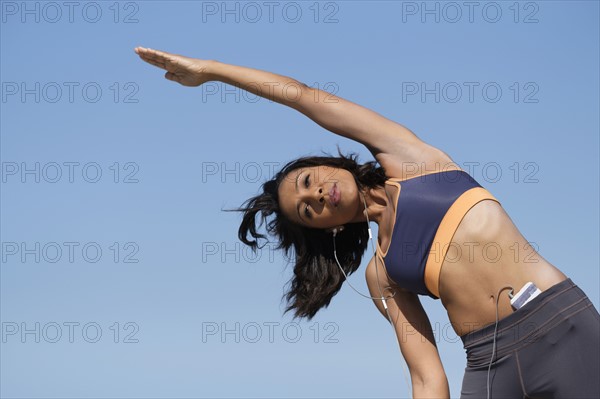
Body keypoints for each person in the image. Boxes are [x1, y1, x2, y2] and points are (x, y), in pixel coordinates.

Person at [134, 47, 600, 399]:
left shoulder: (412, 161)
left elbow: (301, 96)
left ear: (328, 164)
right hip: (486, 368)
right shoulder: (383, 272)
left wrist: (212, 71)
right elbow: (425, 373)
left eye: (310, 181)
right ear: (326, 229)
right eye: (308, 209)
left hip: (560, 328)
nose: (316, 195)